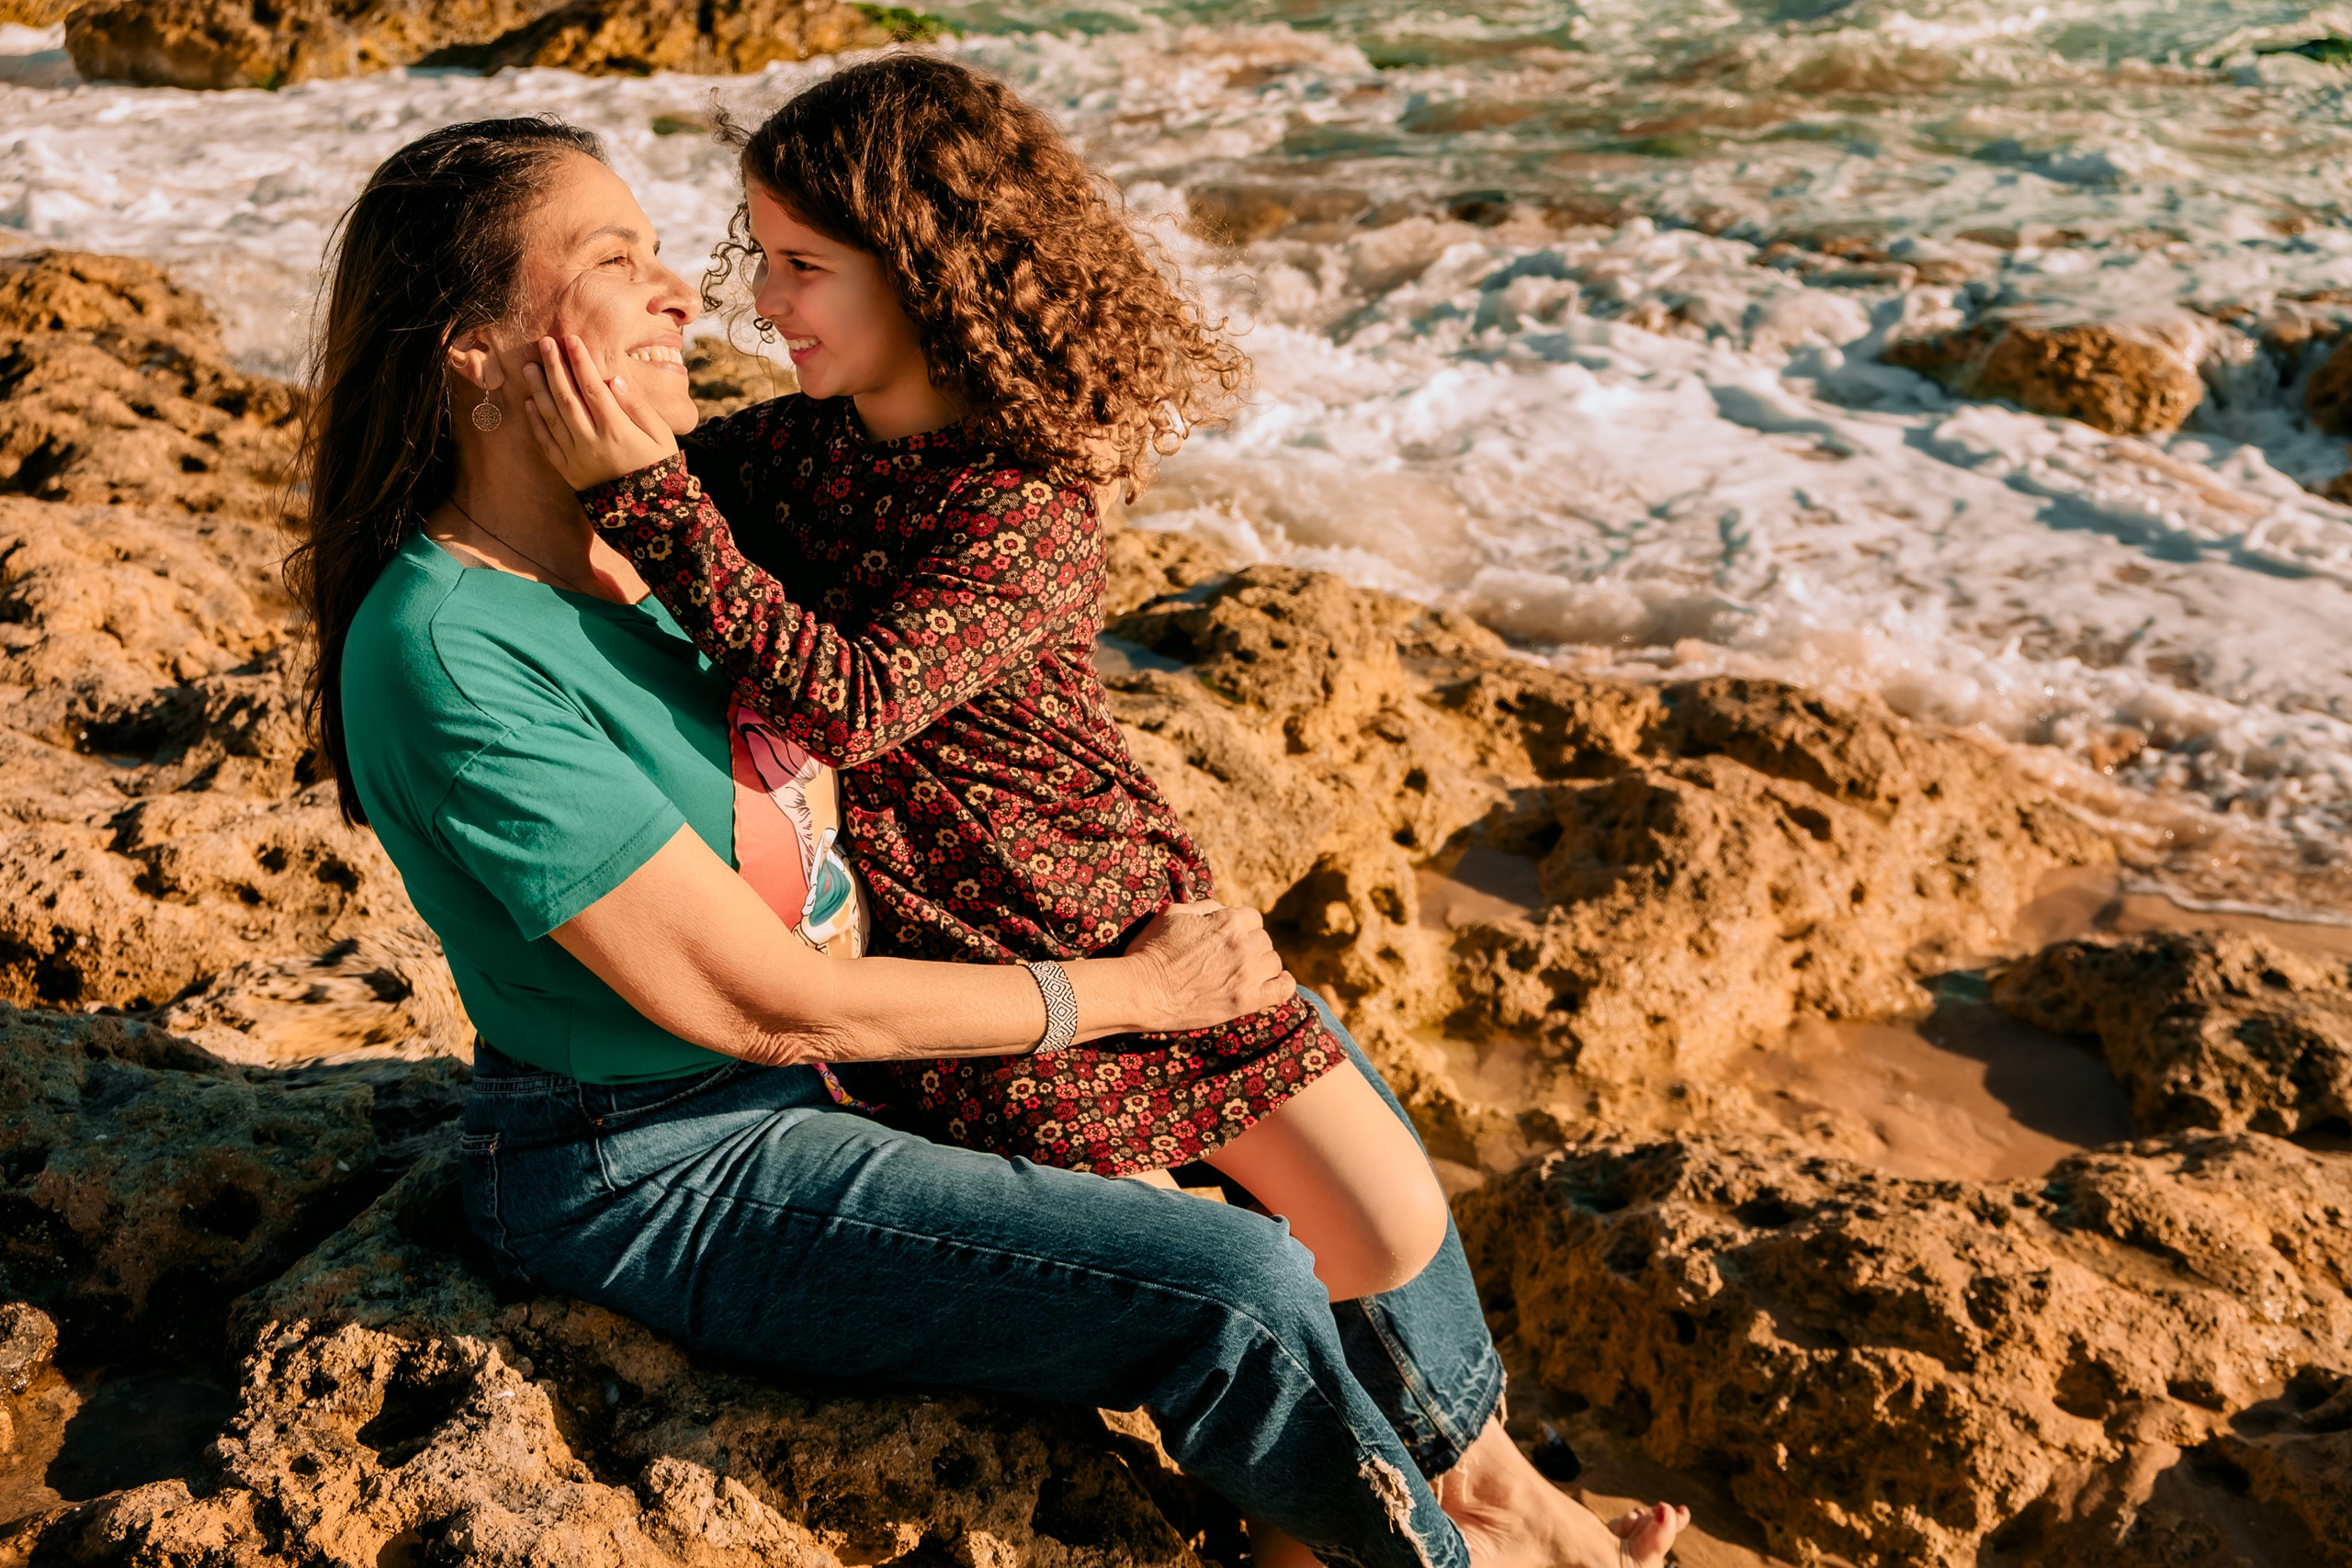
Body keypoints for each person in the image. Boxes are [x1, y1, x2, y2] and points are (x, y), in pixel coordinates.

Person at [293, 112, 1689, 1568]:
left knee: (1307, 1085)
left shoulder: (668, 539)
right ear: (470, 345)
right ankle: (1437, 1552)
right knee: (1229, 1281)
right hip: (653, 1154)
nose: (688, 296)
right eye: (619, 259)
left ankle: (1479, 1492)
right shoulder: (449, 645)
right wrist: (1128, 994)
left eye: (684, 256)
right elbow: (760, 1003)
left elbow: (945, 508)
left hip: (853, 1069)